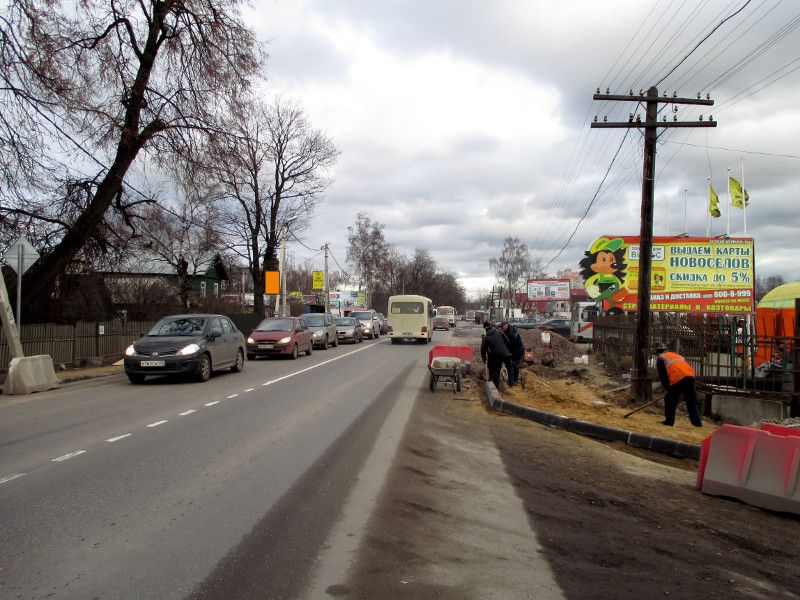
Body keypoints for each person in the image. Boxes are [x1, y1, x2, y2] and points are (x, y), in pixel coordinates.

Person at [655, 343, 703, 427]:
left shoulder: (661, 358)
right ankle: (697, 424)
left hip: (678, 379)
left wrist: (668, 388)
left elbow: (663, 377)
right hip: (690, 378)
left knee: (669, 399)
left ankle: (669, 422)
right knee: (691, 402)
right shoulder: (677, 356)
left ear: (658, 352)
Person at [481, 322, 511, 389]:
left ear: (485, 328)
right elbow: (507, 340)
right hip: (505, 353)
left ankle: (495, 387)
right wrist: (504, 348)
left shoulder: (486, 337)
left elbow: (483, 350)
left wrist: (484, 359)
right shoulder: (499, 331)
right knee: (499, 367)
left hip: (495, 355)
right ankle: (509, 383)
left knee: (495, 369)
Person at [501, 320, 524, 386]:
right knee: (511, 365)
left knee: (515, 365)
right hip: (513, 350)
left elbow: (510, 343)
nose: (502, 329)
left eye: (502, 328)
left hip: (518, 350)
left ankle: (515, 381)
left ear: (506, 325)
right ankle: (512, 381)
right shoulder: (507, 330)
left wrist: (507, 352)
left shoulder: (511, 332)